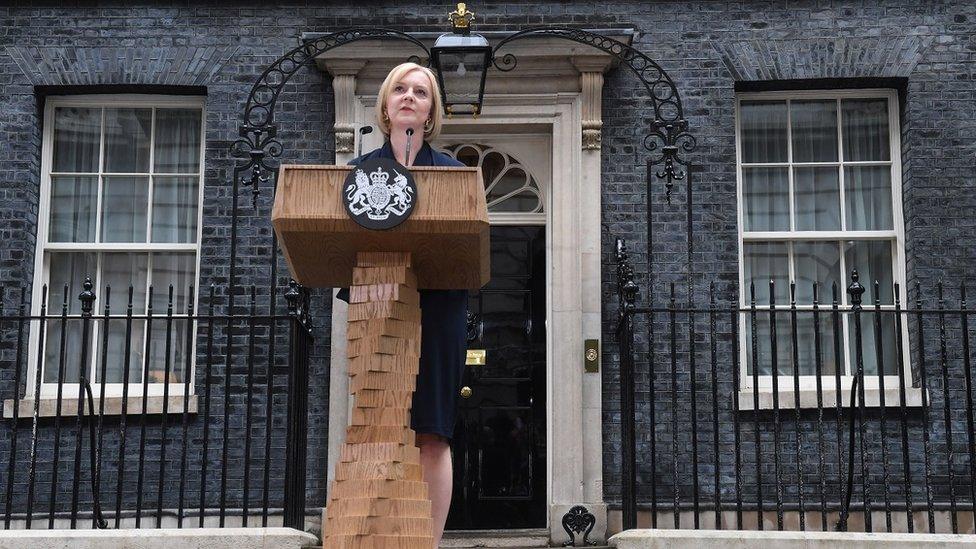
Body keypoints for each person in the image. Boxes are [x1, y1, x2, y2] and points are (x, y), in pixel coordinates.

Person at [337, 61, 467, 546]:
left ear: (430, 113)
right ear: (386, 107)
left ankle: (427, 542)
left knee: (431, 432)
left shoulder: (454, 175)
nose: (410, 97)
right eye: (400, 90)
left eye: (421, 92)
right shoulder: (355, 174)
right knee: (379, 426)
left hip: (438, 311)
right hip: (376, 304)